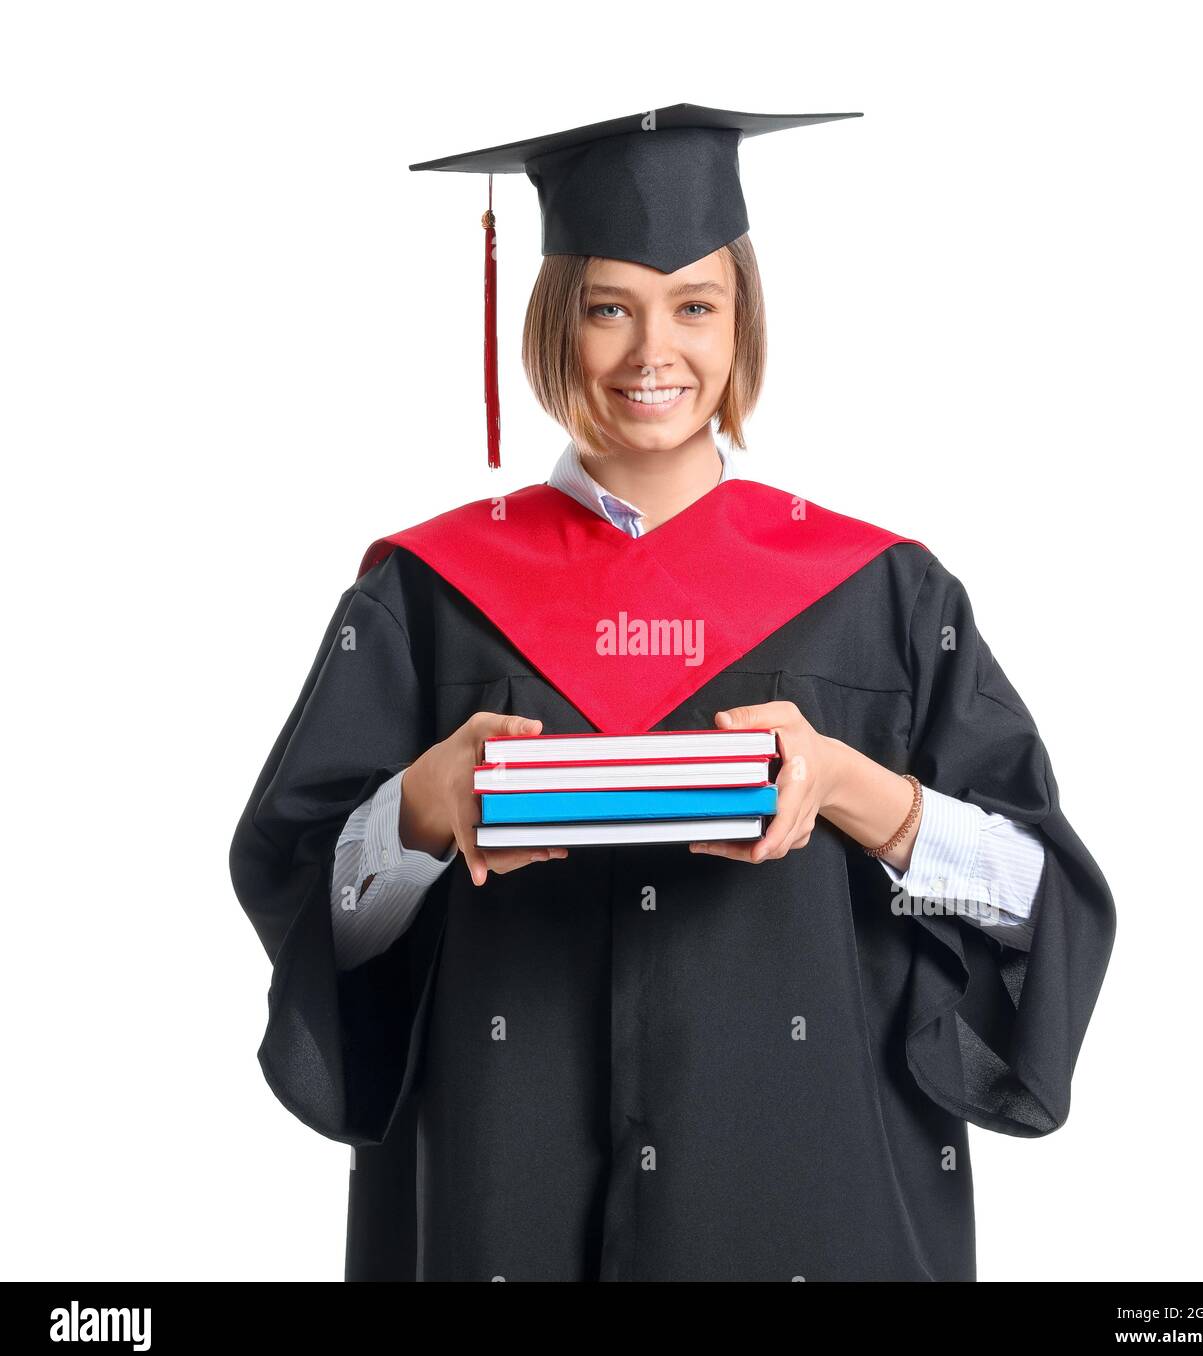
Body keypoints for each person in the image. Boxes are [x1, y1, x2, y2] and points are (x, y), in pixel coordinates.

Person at [228, 104, 1116, 1281]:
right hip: (509, 1196)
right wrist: (422, 810)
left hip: (810, 1203)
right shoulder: (427, 594)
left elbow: (1034, 904)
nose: (655, 352)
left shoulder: (883, 594)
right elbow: (302, 899)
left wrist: (858, 792)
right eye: (610, 307)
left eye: (695, 305)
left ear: (740, 322)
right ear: (557, 321)